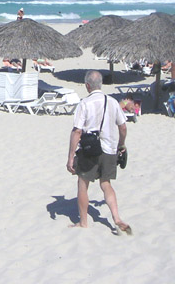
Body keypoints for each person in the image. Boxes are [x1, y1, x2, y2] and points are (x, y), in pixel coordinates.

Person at [67, 70, 131, 233]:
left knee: (83, 184)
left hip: (90, 150)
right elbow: (123, 127)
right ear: (100, 84)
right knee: (106, 184)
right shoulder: (112, 102)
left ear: (87, 85)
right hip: (109, 149)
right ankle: (116, 218)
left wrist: (70, 157)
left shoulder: (85, 103)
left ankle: (83, 222)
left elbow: (77, 131)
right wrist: (121, 145)